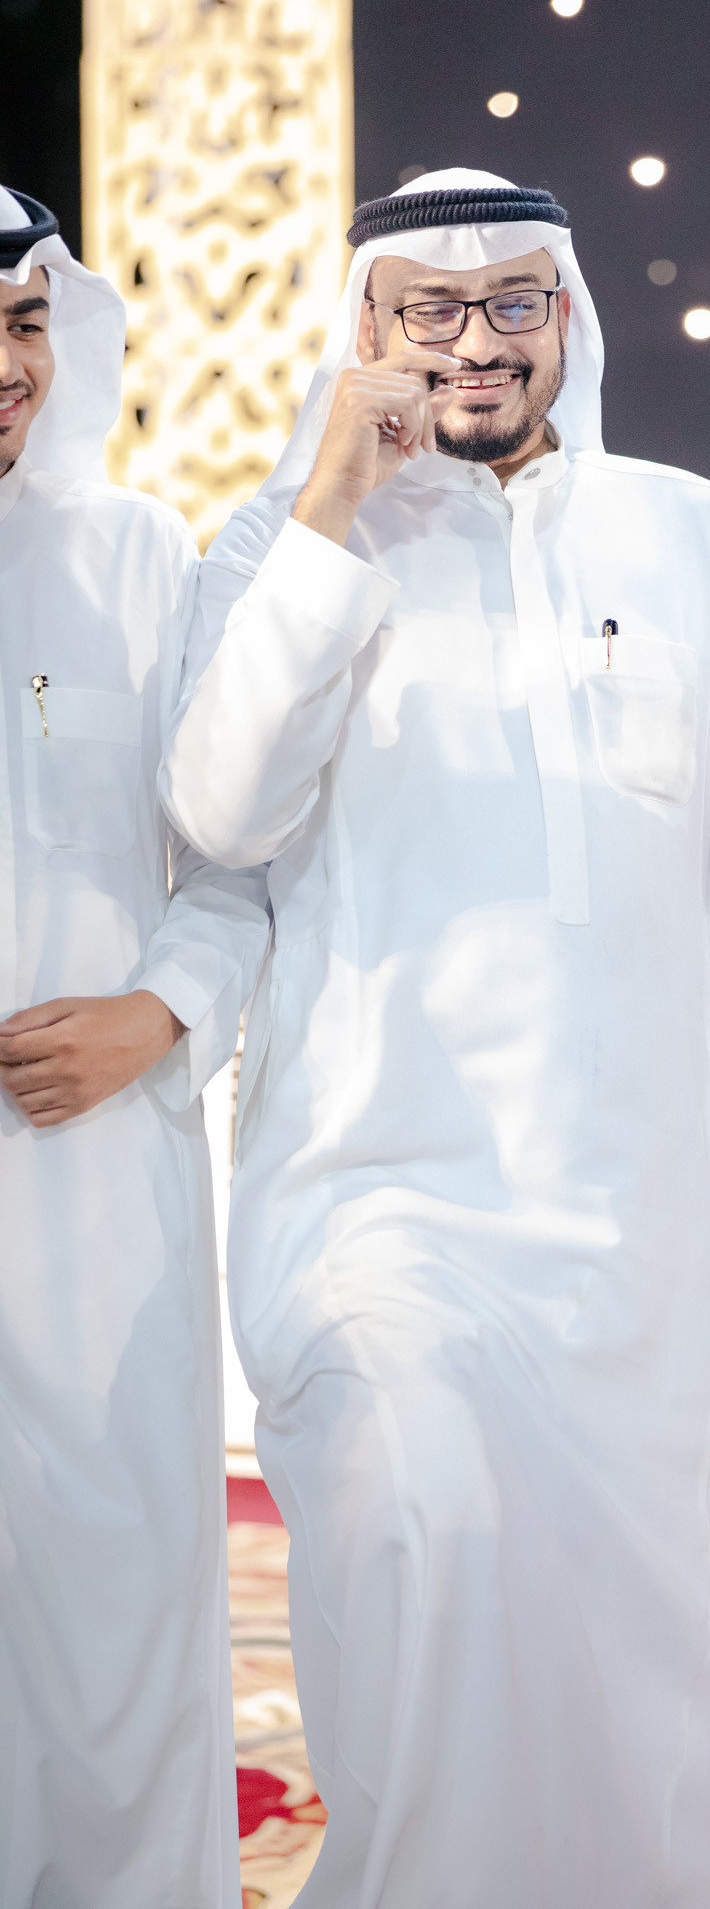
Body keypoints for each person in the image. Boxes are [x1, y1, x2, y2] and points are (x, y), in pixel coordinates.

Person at [160, 168, 710, 1909]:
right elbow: (220, 812)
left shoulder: (683, 531)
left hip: (631, 1225)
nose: (474, 342)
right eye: (430, 309)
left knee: (630, 1677)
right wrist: (331, 512)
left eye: (513, 303)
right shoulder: (278, 539)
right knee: (423, 1585)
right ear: (367, 326)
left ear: (566, 319)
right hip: (372, 1197)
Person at [0, 187, 270, 1904]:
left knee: (109, 1601)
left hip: (92, 1168)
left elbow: (236, 858)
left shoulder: (136, 554)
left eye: (26, 323)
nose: (6, 366)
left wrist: (158, 1010)